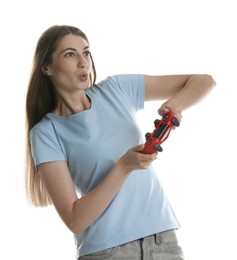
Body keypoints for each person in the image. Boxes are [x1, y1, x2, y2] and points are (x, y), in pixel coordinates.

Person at [25, 25, 215, 260]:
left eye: (86, 52)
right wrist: (124, 166)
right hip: (107, 251)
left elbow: (204, 81)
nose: (83, 62)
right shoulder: (45, 133)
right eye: (70, 54)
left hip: (163, 239)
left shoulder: (116, 89)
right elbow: (76, 220)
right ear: (47, 67)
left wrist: (174, 107)